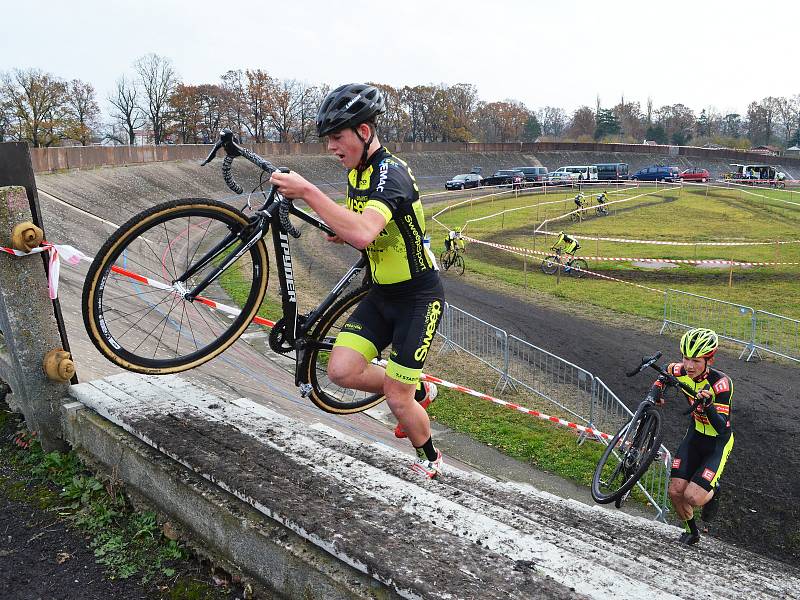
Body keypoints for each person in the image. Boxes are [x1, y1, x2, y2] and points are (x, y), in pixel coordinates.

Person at [269, 84, 445, 478]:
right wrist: (339, 227)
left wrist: (310, 191)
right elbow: (359, 222)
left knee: (397, 400)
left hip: (419, 298)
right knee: (340, 371)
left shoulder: (390, 174)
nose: (331, 147)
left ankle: (430, 460)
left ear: (363, 132)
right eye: (328, 139)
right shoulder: (359, 171)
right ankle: (420, 391)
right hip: (381, 293)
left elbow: (365, 232)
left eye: (337, 137)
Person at [653, 328, 733, 545]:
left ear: (710, 359)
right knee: (676, 492)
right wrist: (656, 392)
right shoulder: (680, 370)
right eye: (686, 358)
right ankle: (692, 531)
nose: (689, 366)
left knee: (693, 497)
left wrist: (709, 406)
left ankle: (713, 490)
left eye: (696, 361)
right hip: (695, 435)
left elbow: (720, 426)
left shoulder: (721, 383)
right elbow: (664, 373)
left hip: (718, 441)